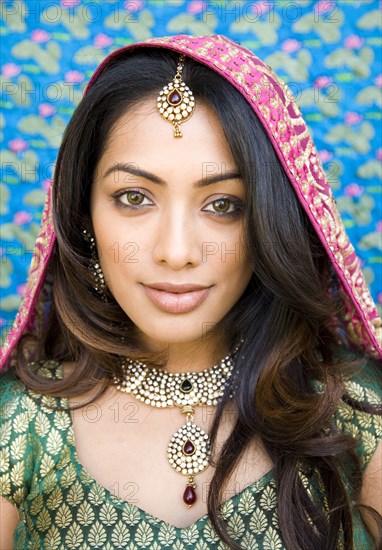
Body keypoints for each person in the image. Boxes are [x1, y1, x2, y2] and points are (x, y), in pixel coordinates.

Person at [0, 33, 381, 550]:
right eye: (134, 197)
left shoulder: (355, 418)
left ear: (268, 226)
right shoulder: (19, 427)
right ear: (83, 216)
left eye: (223, 204)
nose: (176, 252)